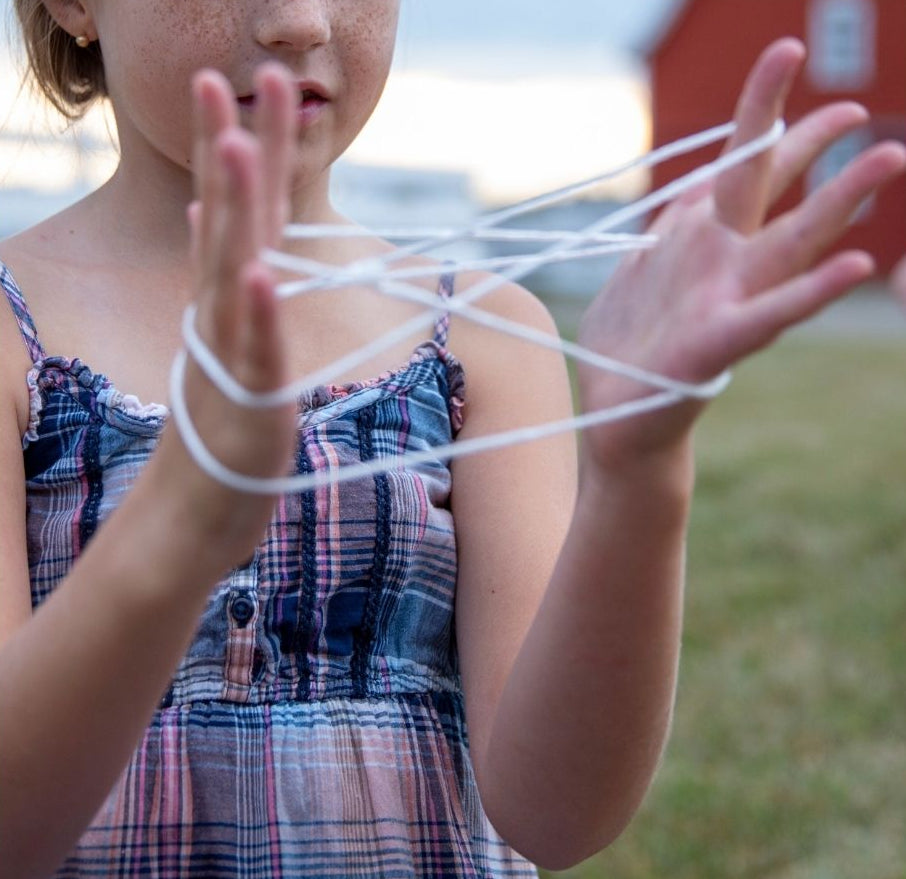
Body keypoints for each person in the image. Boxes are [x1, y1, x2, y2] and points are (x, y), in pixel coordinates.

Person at [1, 2, 903, 876]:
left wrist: (641, 471)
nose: (302, 20)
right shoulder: (15, 336)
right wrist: (179, 528)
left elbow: (559, 815)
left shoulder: (481, 336)